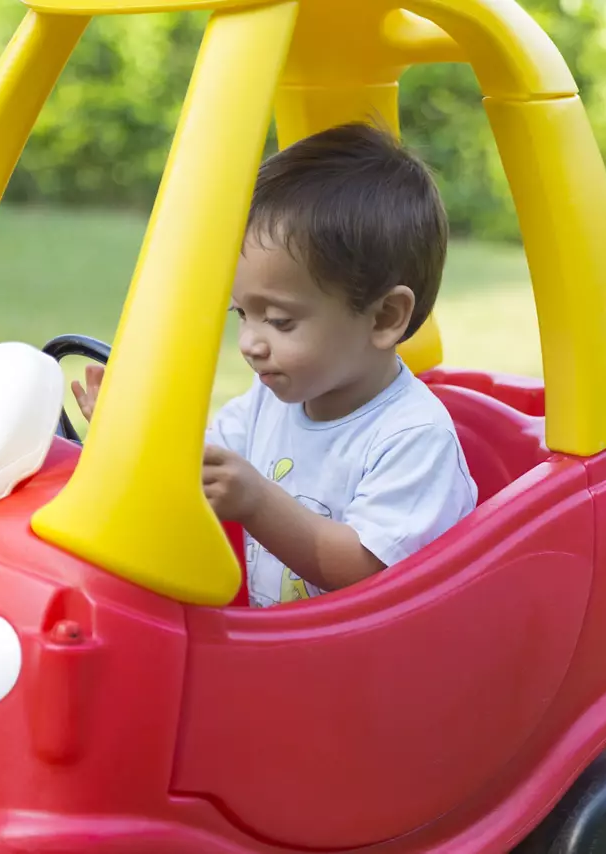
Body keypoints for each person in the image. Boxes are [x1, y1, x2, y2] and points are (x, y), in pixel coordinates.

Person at [74, 121, 477, 608]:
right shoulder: (270, 400)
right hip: (291, 656)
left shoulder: (412, 436)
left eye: (280, 321)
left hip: (381, 674)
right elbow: (199, 470)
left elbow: (371, 575)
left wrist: (257, 502)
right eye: (243, 314)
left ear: (384, 317)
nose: (249, 343)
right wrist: (130, 437)